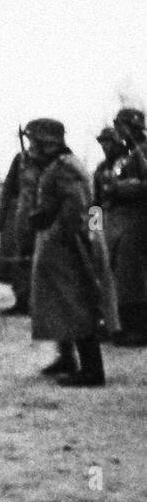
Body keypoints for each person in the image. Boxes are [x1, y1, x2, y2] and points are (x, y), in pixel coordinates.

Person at [26, 118, 118, 386]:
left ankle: (92, 370)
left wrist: (58, 229)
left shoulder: (66, 167)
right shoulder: (54, 166)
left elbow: (77, 209)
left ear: (47, 142)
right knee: (59, 302)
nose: (31, 146)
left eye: (34, 141)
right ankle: (67, 357)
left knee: (77, 302)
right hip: (59, 243)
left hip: (69, 243)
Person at [99, 109, 147, 347]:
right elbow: (95, 202)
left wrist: (120, 188)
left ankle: (139, 329)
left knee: (133, 277)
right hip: (115, 224)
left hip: (137, 221)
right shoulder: (118, 159)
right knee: (116, 276)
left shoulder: (143, 152)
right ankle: (118, 325)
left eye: (121, 126)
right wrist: (93, 230)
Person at [0, 137, 43, 315]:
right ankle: (22, 301)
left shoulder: (57, 163)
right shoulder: (21, 160)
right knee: (17, 258)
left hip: (43, 217)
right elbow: (8, 189)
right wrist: (2, 217)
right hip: (19, 216)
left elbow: (91, 201)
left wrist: (95, 229)